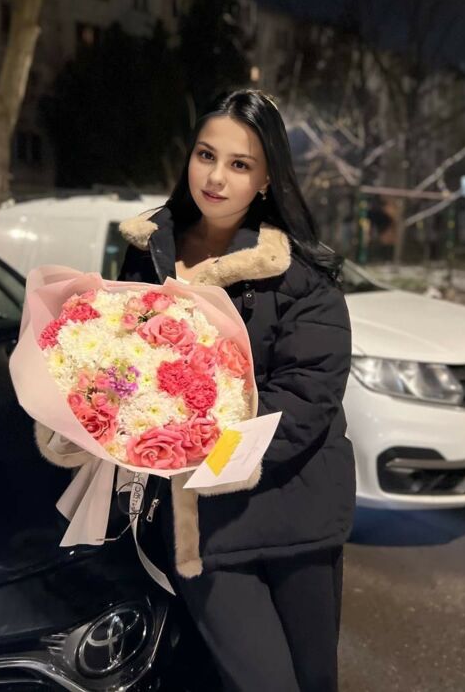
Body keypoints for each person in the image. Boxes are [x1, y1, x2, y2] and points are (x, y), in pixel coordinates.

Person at [36, 88, 355, 691]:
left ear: (266, 179)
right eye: (206, 155)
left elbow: (308, 398)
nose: (216, 177)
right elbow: (119, 359)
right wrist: (99, 406)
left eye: (240, 164)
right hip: (202, 531)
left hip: (295, 514)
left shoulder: (301, 275)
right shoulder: (147, 253)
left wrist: (194, 439)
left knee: (314, 681)